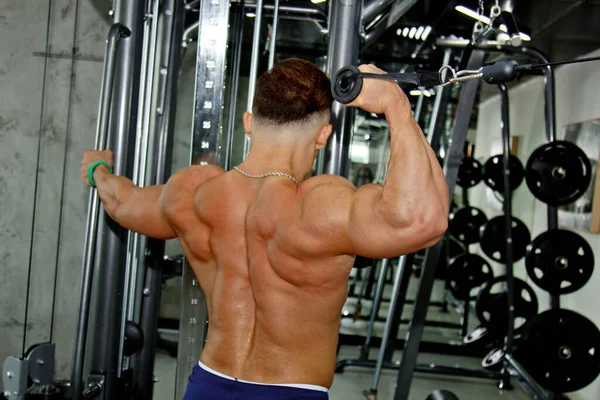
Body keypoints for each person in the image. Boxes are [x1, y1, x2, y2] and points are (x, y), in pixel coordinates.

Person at [80, 58, 448, 400]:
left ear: (248, 123)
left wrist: (99, 172)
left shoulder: (193, 193)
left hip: (208, 384)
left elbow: (121, 202)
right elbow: (422, 220)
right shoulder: (319, 206)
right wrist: (395, 106)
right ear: (323, 136)